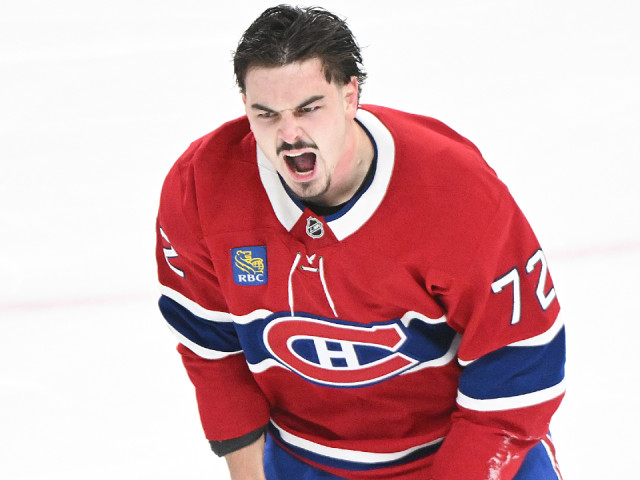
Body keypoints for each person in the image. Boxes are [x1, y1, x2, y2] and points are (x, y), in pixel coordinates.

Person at [155, 5, 566, 479]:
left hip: (462, 447)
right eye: (265, 114)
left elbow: (519, 363)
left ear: (350, 95)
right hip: (307, 458)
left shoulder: (453, 190)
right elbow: (213, 350)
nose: (289, 135)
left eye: (309, 109)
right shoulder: (201, 187)